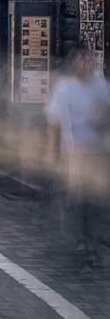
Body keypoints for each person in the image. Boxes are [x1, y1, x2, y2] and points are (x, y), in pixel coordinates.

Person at [46, 46, 110, 267]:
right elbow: (54, 122)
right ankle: (81, 239)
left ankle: (92, 241)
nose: (85, 63)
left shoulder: (102, 87)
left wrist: (101, 120)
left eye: (88, 58)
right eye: (81, 59)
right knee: (77, 198)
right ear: (73, 62)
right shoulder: (65, 88)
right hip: (73, 151)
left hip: (98, 151)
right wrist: (52, 153)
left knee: (96, 200)